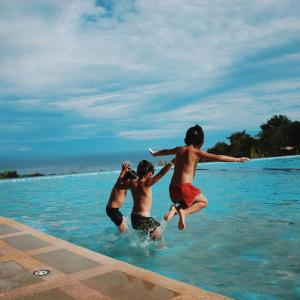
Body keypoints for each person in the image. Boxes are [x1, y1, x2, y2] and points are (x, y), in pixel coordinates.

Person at [150, 124, 250, 230]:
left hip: (172, 190)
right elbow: (219, 157)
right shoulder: (196, 152)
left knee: (188, 202)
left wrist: (155, 154)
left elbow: (166, 151)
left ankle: (174, 210)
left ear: (186, 139)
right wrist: (238, 159)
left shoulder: (179, 149)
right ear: (201, 142)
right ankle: (183, 212)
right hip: (185, 188)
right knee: (203, 202)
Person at [119, 159, 175, 239]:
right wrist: (171, 163)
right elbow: (162, 173)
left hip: (134, 218)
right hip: (143, 218)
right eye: (152, 173)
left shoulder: (132, 183)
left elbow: (119, 185)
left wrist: (123, 171)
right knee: (158, 235)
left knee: (145, 238)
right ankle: (163, 249)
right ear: (149, 173)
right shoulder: (147, 182)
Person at [106, 161, 138, 232]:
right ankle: (114, 242)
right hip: (112, 210)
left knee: (126, 222)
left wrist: (127, 170)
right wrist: (123, 170)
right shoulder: (120, 184)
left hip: (115, 210)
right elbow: (121, 177)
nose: (135, 183)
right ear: (129, 180)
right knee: (123, 230)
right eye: (134, 181)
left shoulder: (126, 185)